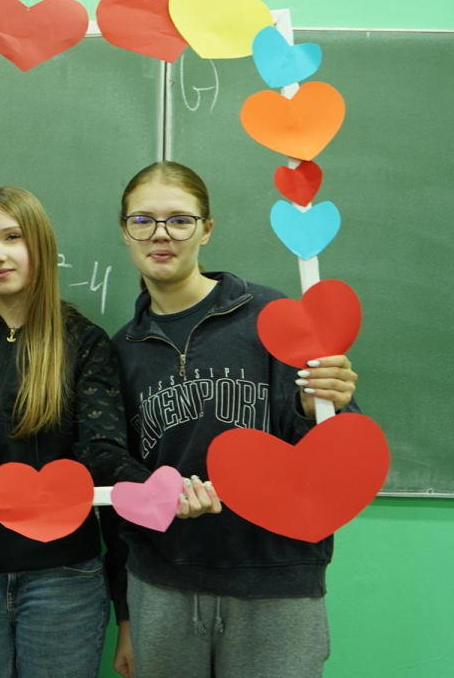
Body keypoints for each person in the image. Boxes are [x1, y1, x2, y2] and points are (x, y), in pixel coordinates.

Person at [0, 186, 209, 678]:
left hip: (63, 581)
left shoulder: (84, 342)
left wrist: (158, 489)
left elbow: (102, 452)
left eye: (12, 237)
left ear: (40, 244)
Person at [109, 161, 359, 678]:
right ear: (124, 231)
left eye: (180, 220)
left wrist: (321, 405)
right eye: (143, 220)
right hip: (162, 585)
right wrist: (126, 615)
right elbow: (119, 484)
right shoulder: (120, 350)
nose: (161, 234)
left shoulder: (272, 316)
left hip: (275, 581)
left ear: (207, 229)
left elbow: (336, 456)